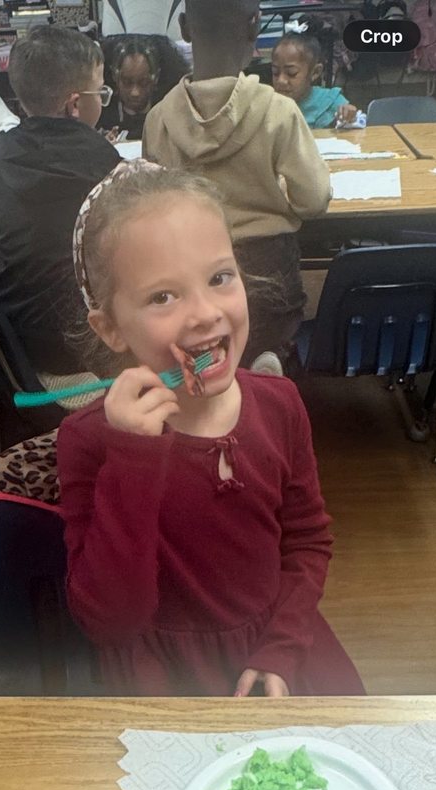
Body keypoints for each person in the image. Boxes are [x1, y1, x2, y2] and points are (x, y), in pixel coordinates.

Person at [57, 159, 364, 699]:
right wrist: (132, 458)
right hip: (167, 681)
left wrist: (284, 646)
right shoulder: (89, 440)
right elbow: (110, 621)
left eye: (220, 278)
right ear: (110, 328)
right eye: (162, 297)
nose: (204, 313)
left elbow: (308, 540)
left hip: (281, 651)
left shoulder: (280, 404)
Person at [142, 0, 331, 373]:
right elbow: (315, 201)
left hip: (195, 272)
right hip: (270, 275)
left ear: (183, 27)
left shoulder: (159, 119)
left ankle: (212, 368)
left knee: (205, 341)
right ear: (255, 25)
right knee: (274, 326)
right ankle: (272, 353)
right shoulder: (278, 111)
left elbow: (154, 207)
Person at [0, 26, 121, 379]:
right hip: (98, 352)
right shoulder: (108, 164)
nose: (103, 100)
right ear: (76, 104)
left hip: (18, 356)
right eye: (101, 91)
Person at [98, 34, 188, 140]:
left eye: (144, 83)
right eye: (127, 82)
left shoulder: (169, 112)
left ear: (156, 78)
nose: (135, 92)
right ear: (115, 77)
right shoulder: (101, 114)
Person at [272, 32, 357, 129]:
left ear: (315, 72)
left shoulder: (329, 101)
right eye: (275, 73)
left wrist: (349, 116)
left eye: (291, 73)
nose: (281, 80)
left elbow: (355, 129)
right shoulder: (268, 103)